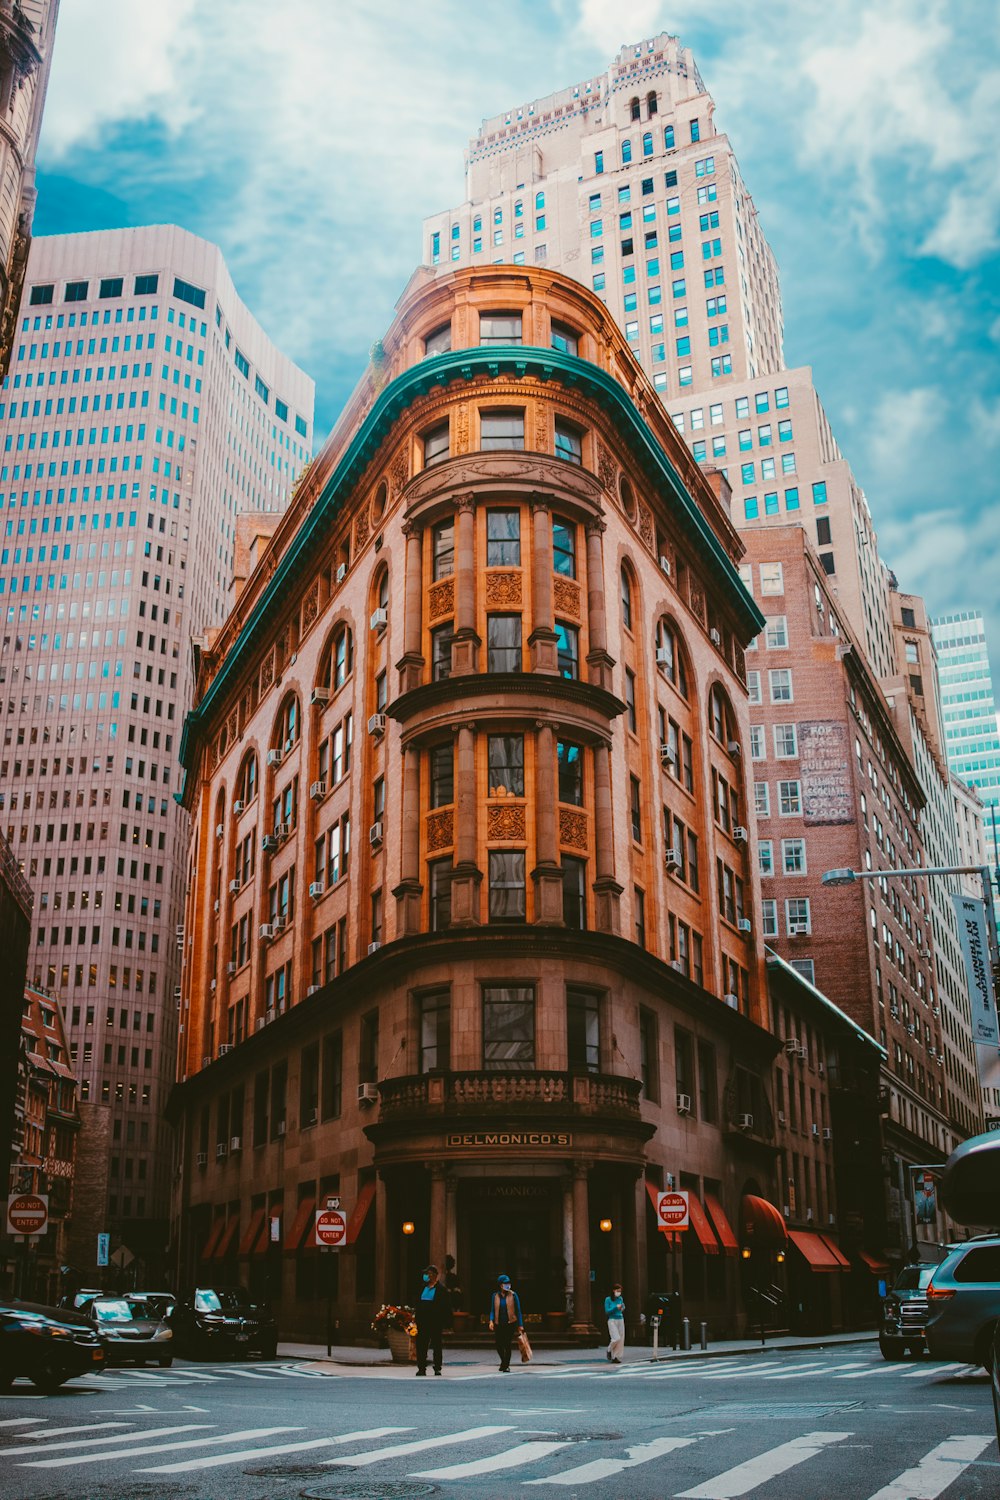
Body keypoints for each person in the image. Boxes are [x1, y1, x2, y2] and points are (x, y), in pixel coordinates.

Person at [414, 1263, 449, 1376]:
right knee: (421, 1345)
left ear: (434, 1275)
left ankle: (437, 1367)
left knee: (436, 1345)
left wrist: (444, 1322)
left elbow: (445, 1307)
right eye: (426, 1274)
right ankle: (421, 1368)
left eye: (428, 1274)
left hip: (435, 1322)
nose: (426, 1276)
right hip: (422, 1321)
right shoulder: (421, 1288)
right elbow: (417, 1303)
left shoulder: (441, 1290)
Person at [488, 1272, 523, 1372]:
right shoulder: (494, 1296)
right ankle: (503, 1362)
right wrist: (491, 1321)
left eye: (508, 1283)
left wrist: (520, 1325)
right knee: (499, 1344)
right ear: (500, 1285)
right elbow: (492, 1310)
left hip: (510, 1323)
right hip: (498, 1324)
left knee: (507, 1344)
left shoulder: (513, 1295)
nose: (508, 1285)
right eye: (505, 1283)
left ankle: (506, 1365)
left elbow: (518, 1311)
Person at [604, 1281, 625, 1363]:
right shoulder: (608, 1299)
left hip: (620, 1319)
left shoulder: (620, 1299)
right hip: (612, 1320)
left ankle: (615, 1357)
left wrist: (622, 1307)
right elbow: (607, 1311)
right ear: (613, 1290)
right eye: (618, 1291)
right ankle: (609, 1350)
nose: (619, 1293)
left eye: (620, 1291)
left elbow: (622, 1308)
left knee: (620, 1340)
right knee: (616, 1338)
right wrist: (616, 1307)